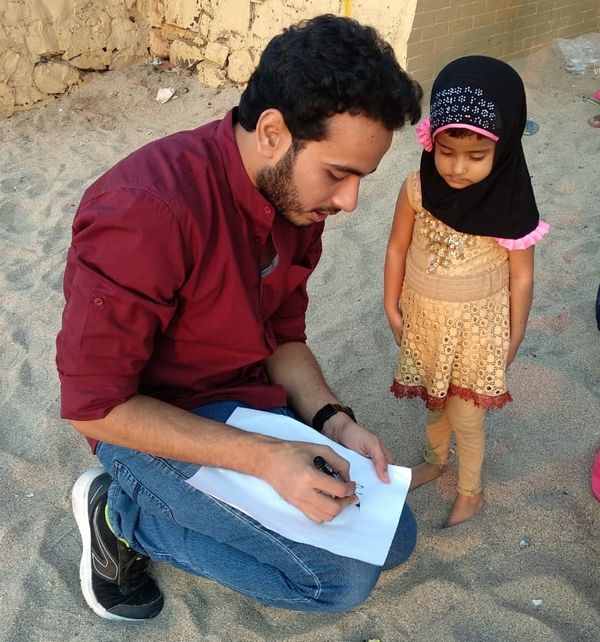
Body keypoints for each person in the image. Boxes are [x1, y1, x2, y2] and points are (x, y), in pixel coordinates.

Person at [56, 14, 423, 621]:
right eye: (338, 174)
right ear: (273, 132)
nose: (349, 201)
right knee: (338, 583)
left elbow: (282, 336)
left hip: (243, 401)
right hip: (148, 424)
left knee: (395, 538)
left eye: (361, 178)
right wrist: (265, 457)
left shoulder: (295, 203)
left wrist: (332, 419)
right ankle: (122, 516)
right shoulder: (145, 211)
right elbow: (92, 407)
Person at [384, 56, 549, 528]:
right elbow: (397, 247)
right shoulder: (418, 188)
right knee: (434, 401)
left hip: (477, 335)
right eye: (446, 151)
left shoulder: (511, 207)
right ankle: (435, 460)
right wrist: (390, 304)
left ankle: (470, 491)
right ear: (430, 140)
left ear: (505, 145)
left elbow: (522, 277)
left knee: (467, 416)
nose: (457, 168)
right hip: (425, 323)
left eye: (476, 157)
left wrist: (514, 336)